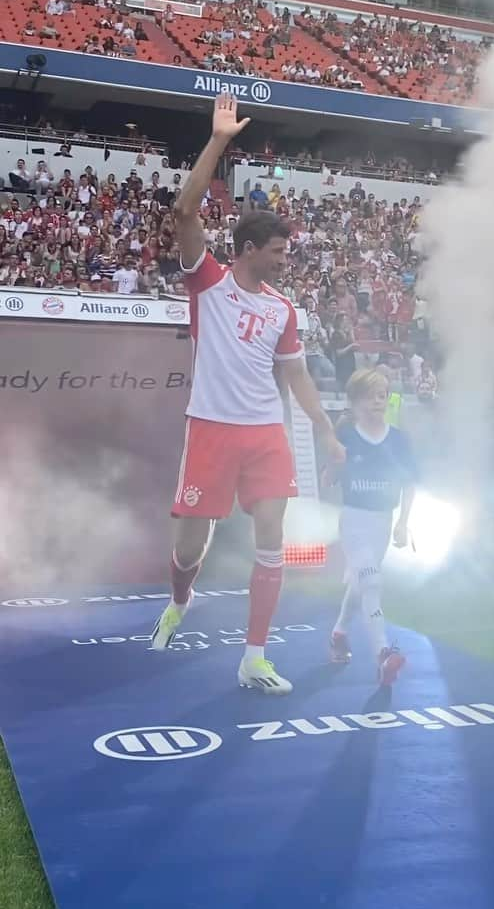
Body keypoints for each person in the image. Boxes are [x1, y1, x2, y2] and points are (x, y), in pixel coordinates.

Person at [150, 95, 345, 695]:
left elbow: (296, 376)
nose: (287, 260)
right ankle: (179, 601)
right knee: (189, 546)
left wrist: (324, 428)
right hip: (210, 426)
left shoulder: (284, 309)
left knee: (271, 541)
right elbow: (185, 212)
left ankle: (253, 657)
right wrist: (218, 141)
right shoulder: (207, 282)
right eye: (280, 252)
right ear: (250, 251)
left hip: (265, 433)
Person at [328, 369, 416, 685]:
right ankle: (383, 652)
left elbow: (410, 483)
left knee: (361, 583)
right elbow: (331, 476)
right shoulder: (347, 436)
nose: (377, 402)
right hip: (354, 519)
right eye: (370, 396)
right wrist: (335, 465)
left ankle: (339, 633)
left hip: (383, 521)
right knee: (372, 581)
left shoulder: (398, 439)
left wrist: (404, 522)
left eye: (382, 395)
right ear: (355, 401)